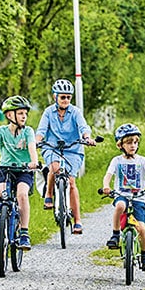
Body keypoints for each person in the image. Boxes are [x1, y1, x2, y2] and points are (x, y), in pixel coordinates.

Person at [35, 79, 96, 234]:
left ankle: (77, 221)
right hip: (52, 147)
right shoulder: (48, 112)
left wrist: (87, 137)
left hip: (73, 149)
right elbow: (41, 130)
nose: (66, 100)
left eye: (68, 97)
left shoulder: (75, 112)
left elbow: (83, 126)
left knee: (71, 181)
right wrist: (37, 141)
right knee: (54, 167)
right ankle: (48, 195)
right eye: (62, 97)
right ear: (55, 97)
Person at [0, 95, 40, 250]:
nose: (24, 117)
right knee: (0, 194)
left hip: (24, 170)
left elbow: (32, 148)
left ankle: (24, 233)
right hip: (5, 169)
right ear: (9, 115)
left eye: (25, 114)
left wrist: (34, 162)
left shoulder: (28, 132)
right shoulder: (1, 131)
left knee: (21, 194)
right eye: (20, 113)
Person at [100, 123, 145, 272]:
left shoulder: (142, 161)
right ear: (120, 145)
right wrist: (106, 186)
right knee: (120, 206)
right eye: (128, 142)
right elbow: (108, 175)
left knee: (141, 228)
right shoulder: (117, 161)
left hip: (139, 198)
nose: (133, 145)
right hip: (122, 195)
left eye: (135, 142)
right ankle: (115, 234)